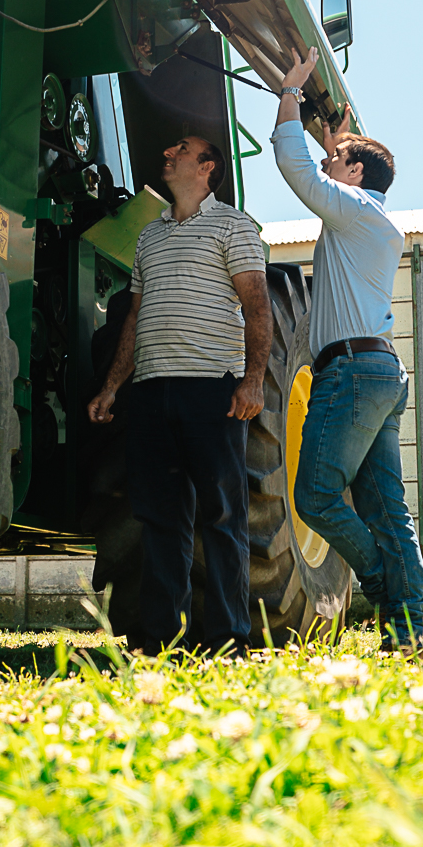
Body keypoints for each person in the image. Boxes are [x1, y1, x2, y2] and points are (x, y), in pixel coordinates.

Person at [87, 135, 271, 655]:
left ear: (206, 165)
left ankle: (229, 640)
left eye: (181, 149)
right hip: (151, 395)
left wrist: (254, 379)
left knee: (222, 520)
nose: (168, 152)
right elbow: (135, 320)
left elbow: (257, 306)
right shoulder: (149, 237)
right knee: (160, 522)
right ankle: (163, 642)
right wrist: (112, 387)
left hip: (211, 395)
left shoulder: (233, 225)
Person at [271, 47, 423, 653]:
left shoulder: (356, 210)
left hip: (354, 374)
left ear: (357, 176)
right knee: (388, 510)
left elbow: (297, 170)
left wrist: (289, 95)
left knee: (313, 495)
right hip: (378, 371)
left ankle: (384, 582)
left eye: (338, 158)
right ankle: (407, 626)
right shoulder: (367, 218)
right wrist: (338, 138)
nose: (328, 160)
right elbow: (327, 167)